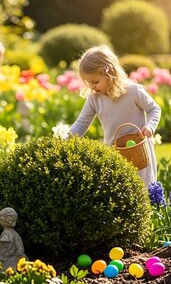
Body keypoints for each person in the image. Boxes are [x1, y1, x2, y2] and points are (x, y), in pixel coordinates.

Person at [69, 45, 161, 185]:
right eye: (88, 83)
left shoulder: (133, 91)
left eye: (95, 82)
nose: (92, 87)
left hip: (139, 150)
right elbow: (81, 123)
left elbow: (154, 109)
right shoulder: (94, 99)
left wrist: (150, 126)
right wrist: (66, 139)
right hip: (114, 152)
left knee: (145, 188)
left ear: (110, 73)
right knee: (120, 190)